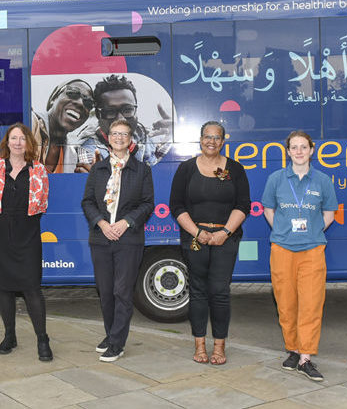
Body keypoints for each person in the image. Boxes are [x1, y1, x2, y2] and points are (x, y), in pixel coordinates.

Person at [169, 121, 249, 365]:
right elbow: (177, 206)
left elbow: (243, 205)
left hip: (226, 238)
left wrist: (224, 231)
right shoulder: (186, 169)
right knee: (198, 292)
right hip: (195, 240)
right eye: (207, 137)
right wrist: (197, 233)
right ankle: (200, 346)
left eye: (216, 137)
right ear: (200, 139)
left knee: (220, 292)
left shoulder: (235, 169)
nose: (211, 141)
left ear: (223, 142)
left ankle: (220, 348)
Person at [262, 130, 338, 382]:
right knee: (285, 303)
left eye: (303, 147)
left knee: (311, 302)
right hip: (282, 249)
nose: (298, 151)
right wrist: (282, 231)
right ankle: (292, 349)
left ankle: (306, 357)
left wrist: (313, 232)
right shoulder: (276, 179)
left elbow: (329, 213)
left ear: (311, 150)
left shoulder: (323, 181)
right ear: (288, 151)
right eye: (293, 147)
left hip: (313, 249)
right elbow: (268, 209)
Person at [81, 119, 155, 362]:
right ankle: (111, 333)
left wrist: (125, 223)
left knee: (122, 291)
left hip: (128, 239)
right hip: (101, 239)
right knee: (105, 291)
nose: (119, 137)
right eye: (115, 133)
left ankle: (117, 343)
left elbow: (147, 204)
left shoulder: (142, 170)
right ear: (108, 138)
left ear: (131, 140)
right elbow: (88, 202)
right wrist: (102, 224)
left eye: (124, 134)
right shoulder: (97, 169)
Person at [0, 123, 52, 361]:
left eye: (22, 138)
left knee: (32, 288)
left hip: (28, 233)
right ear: (7, 142)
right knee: (4, 288)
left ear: (28, 143)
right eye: (14, 138)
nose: (18, 142)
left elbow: (42, 204)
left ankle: (43, 339)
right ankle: (9, 335)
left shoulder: (39, 170)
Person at [77, 74, 171, 168]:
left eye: (127, 110)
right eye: (110, 111)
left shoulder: (148, 138)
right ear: (98, 115)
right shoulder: (88, 151)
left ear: (136, 111)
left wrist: (173, 133)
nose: (120, 119)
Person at [30, 79, 93, 173]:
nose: (80, 103)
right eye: (73, 93)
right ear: (53, 99)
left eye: (88, 103)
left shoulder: (72, 157)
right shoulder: (30, 123)